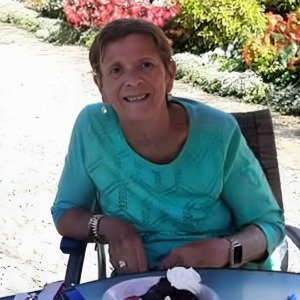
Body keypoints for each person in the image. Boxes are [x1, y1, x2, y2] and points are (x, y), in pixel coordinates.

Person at [51, 18, 285, 275]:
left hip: (226, 277)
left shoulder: (218, 131)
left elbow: (269, 225)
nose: (133, 80)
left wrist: (225, 250)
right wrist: (109, 227)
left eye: (146, 65)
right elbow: (65, 212)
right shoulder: (92, 127)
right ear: (101, 86)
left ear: (169, 74)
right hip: (139, 284)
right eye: (116, 70)